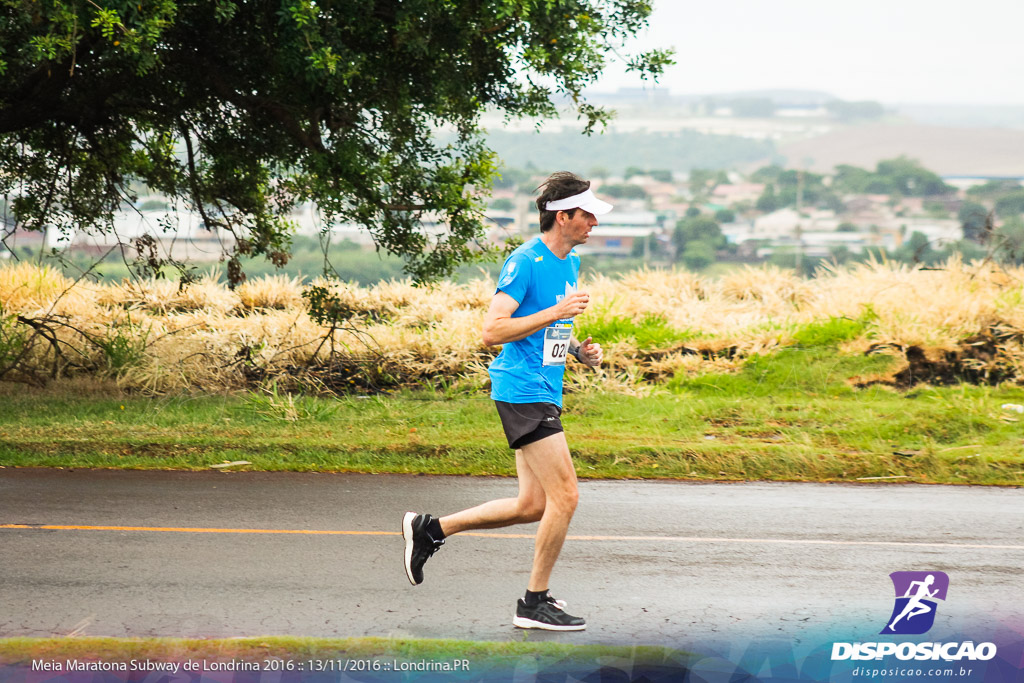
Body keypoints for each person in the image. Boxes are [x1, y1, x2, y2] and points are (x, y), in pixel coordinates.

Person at [402, 171, 610, 631]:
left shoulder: (569, 262)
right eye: (587, 214)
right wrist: (556, 312)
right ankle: (533, 602)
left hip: (543, 388)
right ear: (563, 216)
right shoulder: (526, 261)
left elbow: (551, 328)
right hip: (522, 390)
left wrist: (579, 351)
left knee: (533, 505)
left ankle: (431, 529)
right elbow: (492, 331)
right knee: (567, 496)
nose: (594, 222)